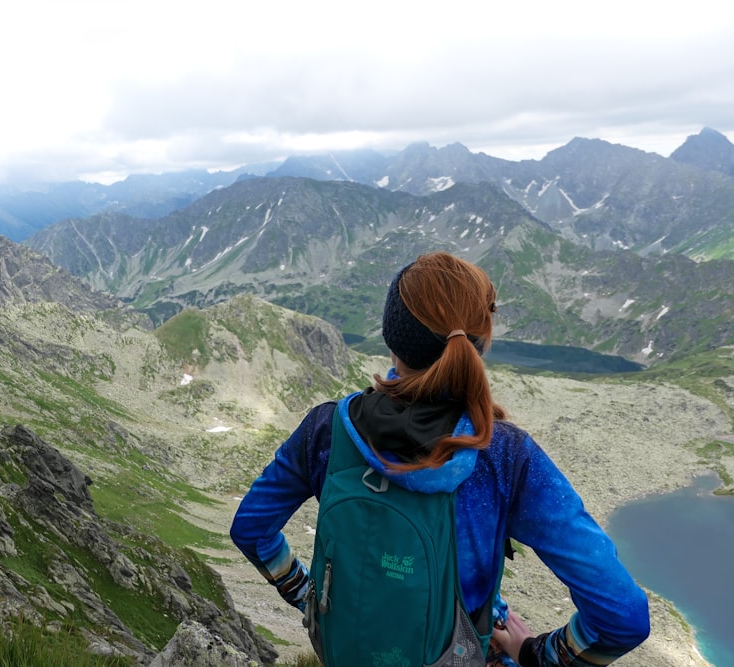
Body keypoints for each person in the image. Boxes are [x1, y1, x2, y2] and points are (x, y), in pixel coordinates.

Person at [229, 251, 650, 666]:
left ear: (391, 336)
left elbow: (251, 530)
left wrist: (308, 597)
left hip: (345, 647)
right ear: (478, 342)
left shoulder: (328, 429)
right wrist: (532, 653)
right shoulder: (504, 455)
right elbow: (622, 619)